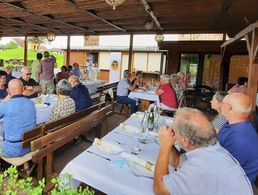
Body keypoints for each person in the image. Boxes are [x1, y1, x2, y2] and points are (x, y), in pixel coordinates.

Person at [154, 107, 253, 195]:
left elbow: (160, 189)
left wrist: (164, 146)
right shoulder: (212, 149)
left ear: (185, 141)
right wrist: (169, 144)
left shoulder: (200, 167)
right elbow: (177, 162)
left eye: (174, 129)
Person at [219, 92, 258, 185]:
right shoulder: (231, 124)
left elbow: (224, 171)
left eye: (222, 103)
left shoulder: (240, 138)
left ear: (229, 108)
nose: (220, 105)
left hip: (233, 186)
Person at [0, 79, 36, 157]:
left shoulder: (5, 105)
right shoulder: (31, 103)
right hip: (30, 145)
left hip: (13, 150)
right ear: (23, 89)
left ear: (8, 91)